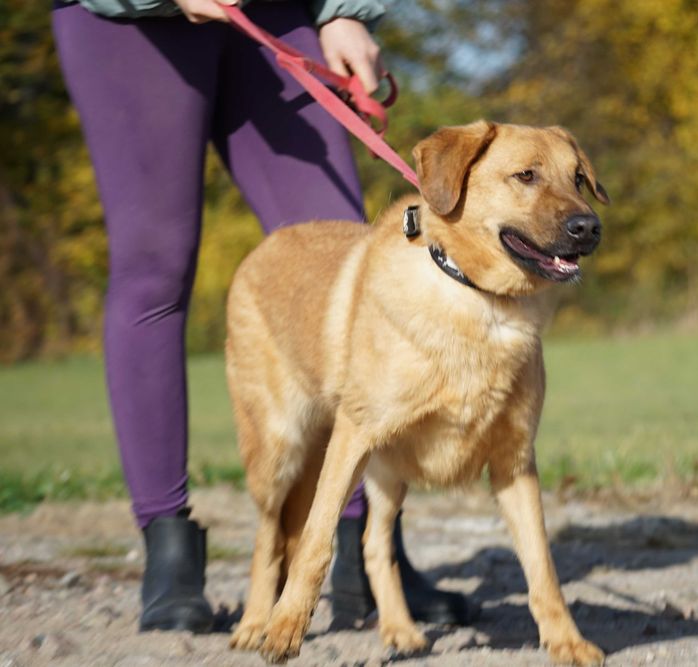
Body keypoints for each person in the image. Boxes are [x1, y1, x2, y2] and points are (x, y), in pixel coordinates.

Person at [52, 0, 472, 633]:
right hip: (129, 24)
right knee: (156, 264)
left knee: (341, 256)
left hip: (275, 13)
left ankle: (365, 553)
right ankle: (169, 553)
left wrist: (342, 11)